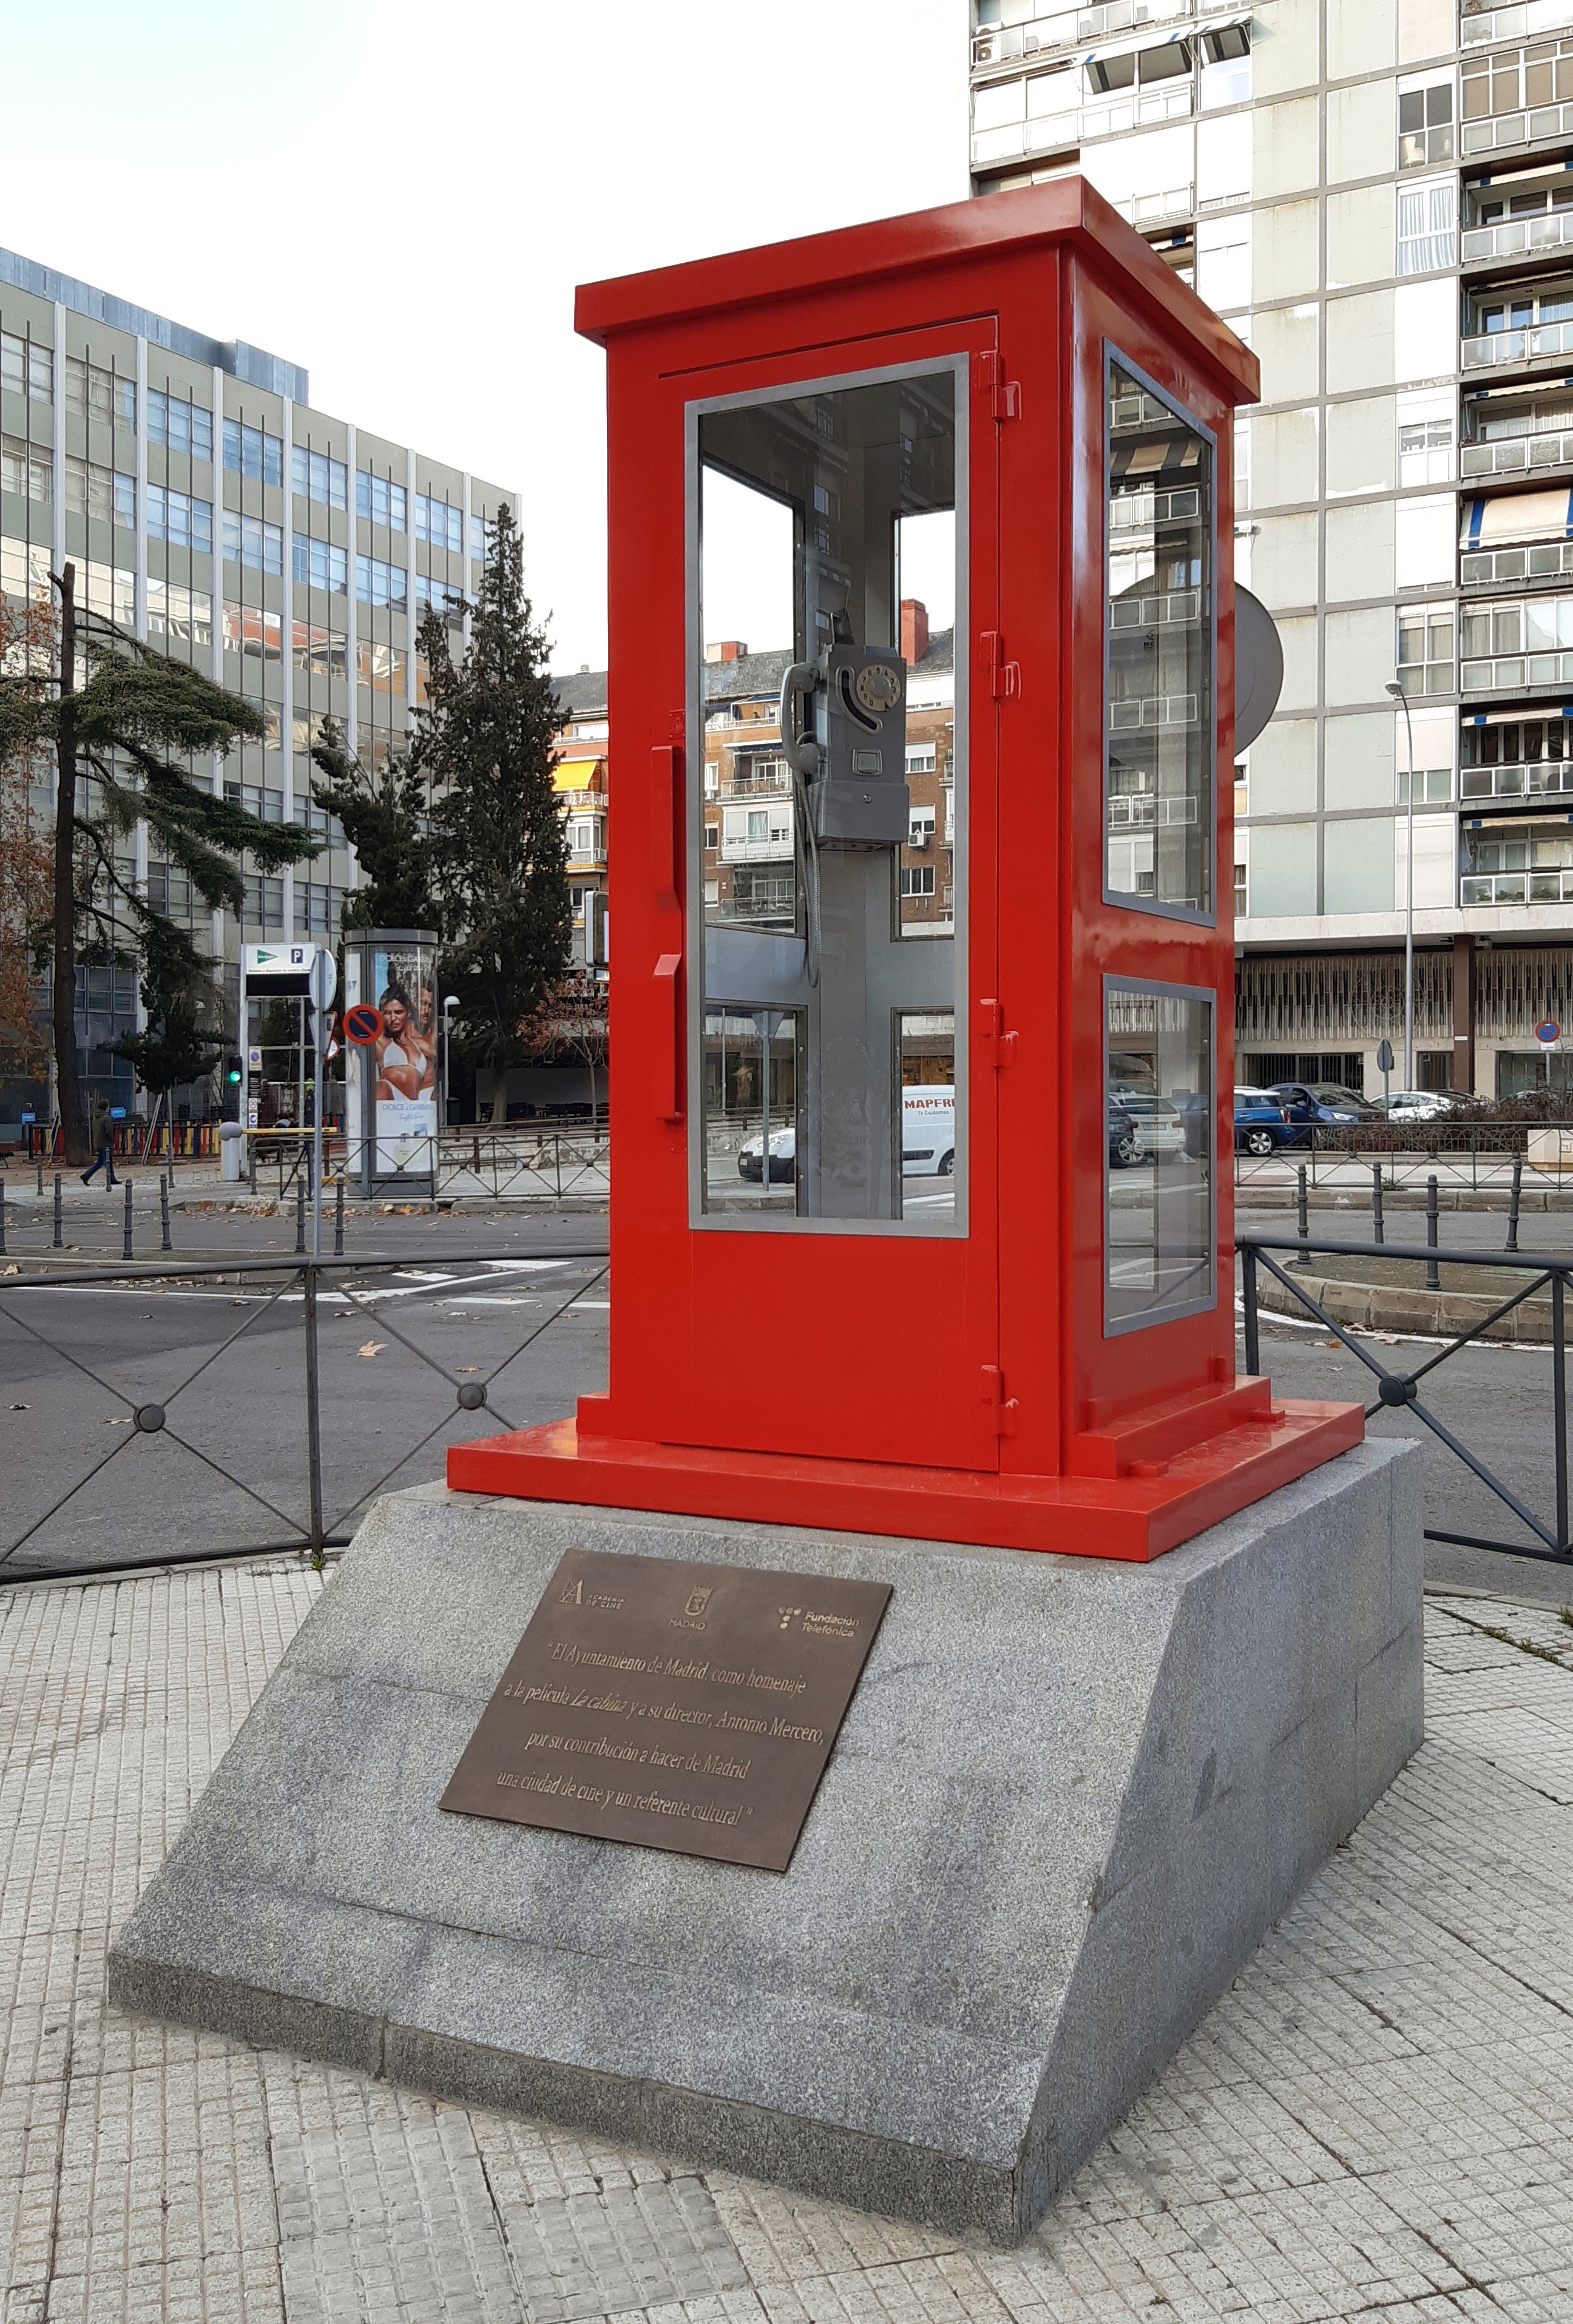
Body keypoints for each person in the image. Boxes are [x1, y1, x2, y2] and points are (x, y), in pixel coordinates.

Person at [373, 985, 436, 1101]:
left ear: (407, 1013)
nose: (393, 1019)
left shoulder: (417, 1040)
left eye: (398, 1012)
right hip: (390, 1108)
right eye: (387, 1013)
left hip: (416, 1110)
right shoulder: (381, 1042)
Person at [81, 1095, 118, 1188]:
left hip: (98, 1142)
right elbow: (109, 1131)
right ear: (106, 1107)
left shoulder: (96, 1117)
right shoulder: (107, 1118)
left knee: (108, 1160)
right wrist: (112, 1139)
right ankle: (86, 1175)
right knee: (101, 1162)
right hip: (106, 1143)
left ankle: (112, 1178)